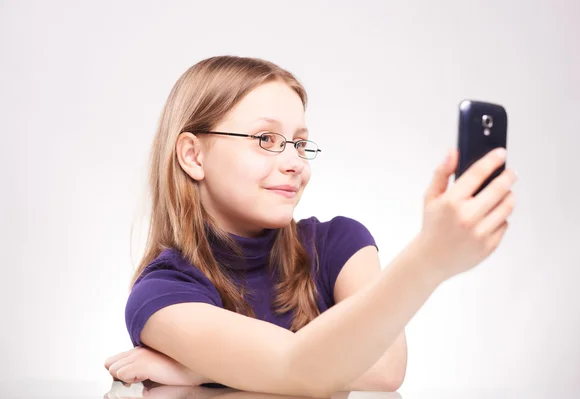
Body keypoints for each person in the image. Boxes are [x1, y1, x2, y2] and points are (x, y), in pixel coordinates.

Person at [104, 55, 517, 397]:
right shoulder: (161, 294)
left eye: (300, 143)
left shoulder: (340, 243)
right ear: (193, 155)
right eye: (266, 139)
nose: (295, 162)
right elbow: (298, 368)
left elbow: (387, 369)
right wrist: (429, 257)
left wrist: (204, 370)